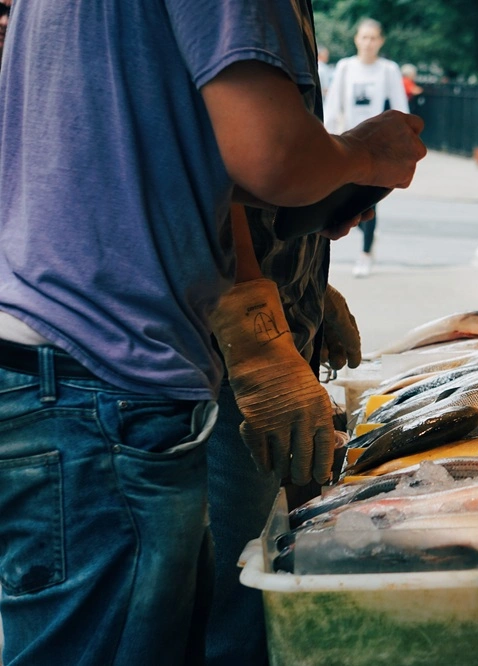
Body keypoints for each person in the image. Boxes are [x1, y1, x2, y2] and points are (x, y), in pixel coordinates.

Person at [0, 2, 425, 665]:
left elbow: (167, 143)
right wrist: (365, 154)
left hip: (66, 370)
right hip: (105, 377)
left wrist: (298, 273)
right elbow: (270, 153)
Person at [202, 4, 364, 665]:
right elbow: (235, 160)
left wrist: (304, 280)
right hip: (215, 356)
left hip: (270, 309)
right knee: (237, 590)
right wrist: (254, 319)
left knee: (262, 561)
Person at [324, 18, 409, 278]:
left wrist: (403, 143)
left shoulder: (388, 70)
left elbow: (400, 108)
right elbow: (333, 105)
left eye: (373, 38)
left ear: (380, 41)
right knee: (345, 199)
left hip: (378, 146)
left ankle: (365, 253)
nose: (368, 43)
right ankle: (366, 234)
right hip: (348, 141)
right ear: (356, 39)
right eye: (364, 37)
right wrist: (325, 136)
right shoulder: (346, 67)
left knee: (369, 199)